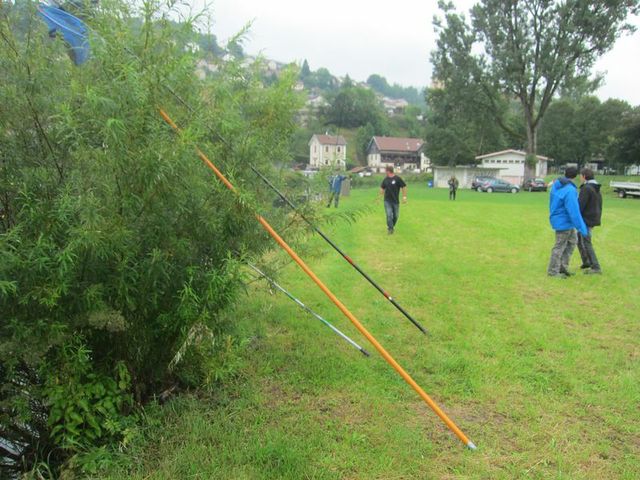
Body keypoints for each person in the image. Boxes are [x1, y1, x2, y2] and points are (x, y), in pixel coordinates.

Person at [547, 166, 589, 278]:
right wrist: (582, 228)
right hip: (563, 222)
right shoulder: (570, 190)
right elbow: (573, 211)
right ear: (575, 176)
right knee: (559, 246)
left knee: (572, 242)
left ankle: (562, 267)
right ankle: (553, 271)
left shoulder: (556, 186)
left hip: (561, 220)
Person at [577, 168, 603, 274]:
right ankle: (586, 261)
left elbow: (580, 205)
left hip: (586, 219)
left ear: (584, 176)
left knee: (586, 242)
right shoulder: (595, 188)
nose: (580, 178)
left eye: (580, 176)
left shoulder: (586, 188)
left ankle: (596, 267)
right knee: (579, 239)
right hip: (593, 217)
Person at [379, 166, 407, 234]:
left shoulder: (397, 179)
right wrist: (379, 197)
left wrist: (404, 197)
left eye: (385, 171)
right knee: (389, 215)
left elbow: (404, 186)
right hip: (387, 201)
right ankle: (390, 229)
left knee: (396, 216)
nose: (385, 172)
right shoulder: (385, 179)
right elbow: (382, 188)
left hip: (395, 201)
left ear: (388, 171)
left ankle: (391, 226)